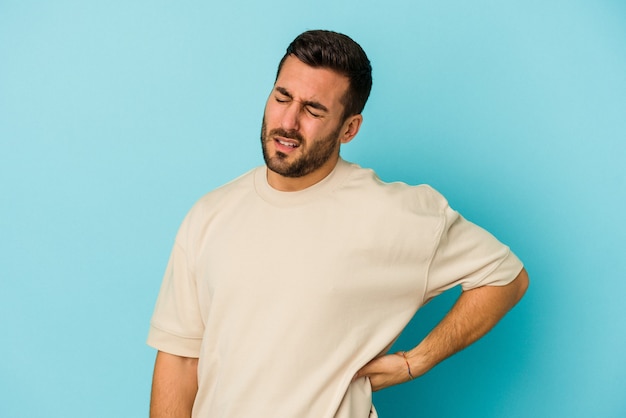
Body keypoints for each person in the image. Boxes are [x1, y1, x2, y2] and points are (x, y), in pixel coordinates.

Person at [147, 29, 529, 418]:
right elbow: (180, 361)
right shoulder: (210, 214)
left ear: (350, 128)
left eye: (313, 110)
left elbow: (507, 277)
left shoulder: (395, 213)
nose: (289, 122)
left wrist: (418, 359)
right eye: (282, 97)